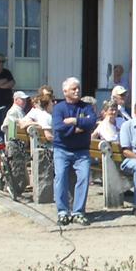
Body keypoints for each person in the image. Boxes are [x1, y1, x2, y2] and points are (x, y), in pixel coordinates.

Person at [51, 77, 97, 226]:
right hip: (62, 150)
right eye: (73, 89)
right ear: (65, 91)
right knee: (60, 178)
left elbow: (92, 122)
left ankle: (78, 212)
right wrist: (78, 129)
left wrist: (74, 121)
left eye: (78, 88)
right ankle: (62, 212)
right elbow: (58, 127)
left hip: (82, 151)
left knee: (84, 178)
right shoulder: (59, 108)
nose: (77, 91)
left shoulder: (86, 107)